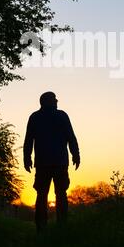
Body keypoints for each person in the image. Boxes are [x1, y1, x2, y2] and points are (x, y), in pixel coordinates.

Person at [23, 91, 80, 232]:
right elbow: (71, 137)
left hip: (42, 163)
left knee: (42, 195)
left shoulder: (35, 117)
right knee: (61, 194)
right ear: (48, 101)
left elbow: (28, 140)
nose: (57, 101)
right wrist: (76, 154)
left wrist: (27, 158)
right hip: (60, 162)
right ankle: (62, 226)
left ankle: (41, 228)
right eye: (55, 99)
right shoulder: (62, 116)